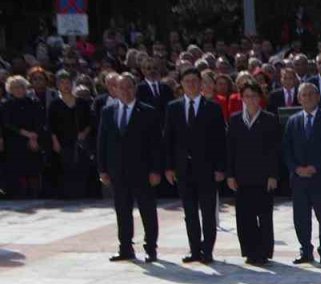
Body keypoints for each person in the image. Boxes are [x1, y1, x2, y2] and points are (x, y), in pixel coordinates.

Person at [97, 73, 163, 262]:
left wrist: (156, 170)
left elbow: (156, 144)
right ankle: (125, 247)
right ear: (114, 89)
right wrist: (102, 169)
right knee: (122, 210)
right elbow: (102, 142)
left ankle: (151, 248)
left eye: (129, 87)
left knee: (147, 210)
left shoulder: (148, 111)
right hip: (117, 171)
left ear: (135, 88)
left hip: (143, 171)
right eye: (121, 87)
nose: (125, 91)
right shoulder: (107, 111)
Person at [165, 68, 226, 264]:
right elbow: (168, 139)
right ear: (181, 84)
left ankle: (207, 250)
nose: (191, 84)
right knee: (190, 213)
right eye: (187, 81)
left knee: (208, 212)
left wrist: (220, 168)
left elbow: (220, 141)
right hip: (183, 169)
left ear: (201, 83)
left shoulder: (212, 108)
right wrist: (168, 167)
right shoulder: (173, 108)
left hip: (207, 169)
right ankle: (195, 250)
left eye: (194, 81)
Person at [282, 83, 321, 265]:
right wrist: (296, 168)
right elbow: (286, 149)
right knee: (301, 217)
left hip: (320, 177)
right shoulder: (293, 121)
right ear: (299, 99)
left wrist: (315, 167)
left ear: (318, 97)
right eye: (304, 95)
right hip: (299, 179)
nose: (307, 98)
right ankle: (305, 250)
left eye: (311, 94)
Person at [225, 82, 280, 265]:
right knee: (244, 216)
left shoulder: (269, 119)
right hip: (242, 176)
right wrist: (230, 175)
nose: (250, 100)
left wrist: (273, 175)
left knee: (264, 216)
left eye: (254, 96)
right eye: (247, 96)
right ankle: (250, 251)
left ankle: (264, 251)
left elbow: (274, 150)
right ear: (242, 98)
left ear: (260, 98)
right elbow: (230, 150)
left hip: (263, 177)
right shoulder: (235, 120)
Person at [47, 70, 94, 199]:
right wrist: (55, 141)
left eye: (68, 83)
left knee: (80, 166)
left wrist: (84, 133)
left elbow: (90, 121)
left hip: (79, 140)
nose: (65, 86)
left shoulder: (81, 103)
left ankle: (81, 194)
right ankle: (67, 195)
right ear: (57, 85)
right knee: (65, 167)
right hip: (63, 140)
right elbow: (51, 125)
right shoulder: (54, 104)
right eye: (62, 83)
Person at [2, 76, 46, 198]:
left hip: (33, 140)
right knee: (16, 169)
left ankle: (35, 194)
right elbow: (7, 124)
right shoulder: (6, 105)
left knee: (33, 169)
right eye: (15, 87)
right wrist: (26, 134)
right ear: (10, 89)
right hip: (15, 141)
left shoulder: (34, 102)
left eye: (21, 87)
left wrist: (34, 137)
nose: (19, 90)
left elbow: (40, 121)